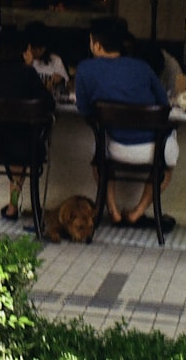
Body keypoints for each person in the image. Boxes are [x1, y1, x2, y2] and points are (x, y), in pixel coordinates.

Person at [75, 16, 179, 229]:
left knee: (98, 159)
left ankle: (113, 211)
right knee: (166, 167)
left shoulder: (85, 69)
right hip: (154, 150)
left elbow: (84, 110)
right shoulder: (142, 67)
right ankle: (137, 212)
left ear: (96, 44)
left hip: (112, 149)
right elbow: (164, 105)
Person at [0, 29, 55, 221]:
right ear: (24, 53)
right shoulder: (28, 75)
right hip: (24, 149)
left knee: (15, 145)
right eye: (29, 50)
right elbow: (49, 104)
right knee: (21, 143)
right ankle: (16, 206)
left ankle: (13, 206)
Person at [25, 21, 69, 97]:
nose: (38, 52)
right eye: (35, 48)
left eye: (41, 48)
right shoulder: (23, 62)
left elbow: (68, 86)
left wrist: (60, 80)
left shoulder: (55, 60)